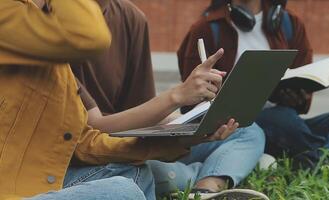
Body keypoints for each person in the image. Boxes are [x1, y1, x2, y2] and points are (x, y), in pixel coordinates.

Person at [0, 0, 242, 199]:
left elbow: (83, 141)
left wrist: (182, 138)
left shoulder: (56, 55)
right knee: (123, 190)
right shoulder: (13, 17)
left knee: (135, 176)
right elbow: (86, 36)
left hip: (42, 176)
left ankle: (205, 178)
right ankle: (197, 177)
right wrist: (177, 96)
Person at [71, 1, 267, 199]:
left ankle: (206, 184)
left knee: (248, 132)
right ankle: (203, 175)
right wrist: (178, 96)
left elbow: (144, 113)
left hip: (133, 141)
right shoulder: (58, 27)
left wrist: (193, 125)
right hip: (102, 153)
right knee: (138, 176)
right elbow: (92, 132)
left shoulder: (131, 17)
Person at [177, 0, 329, 168]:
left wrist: (296, 96)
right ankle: (326, 154)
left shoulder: (289, 23)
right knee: (281, 119)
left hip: (288, 122)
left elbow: (303, 86)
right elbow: (190, 104)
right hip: (241, 127)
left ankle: (314, 156)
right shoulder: (206, 29)